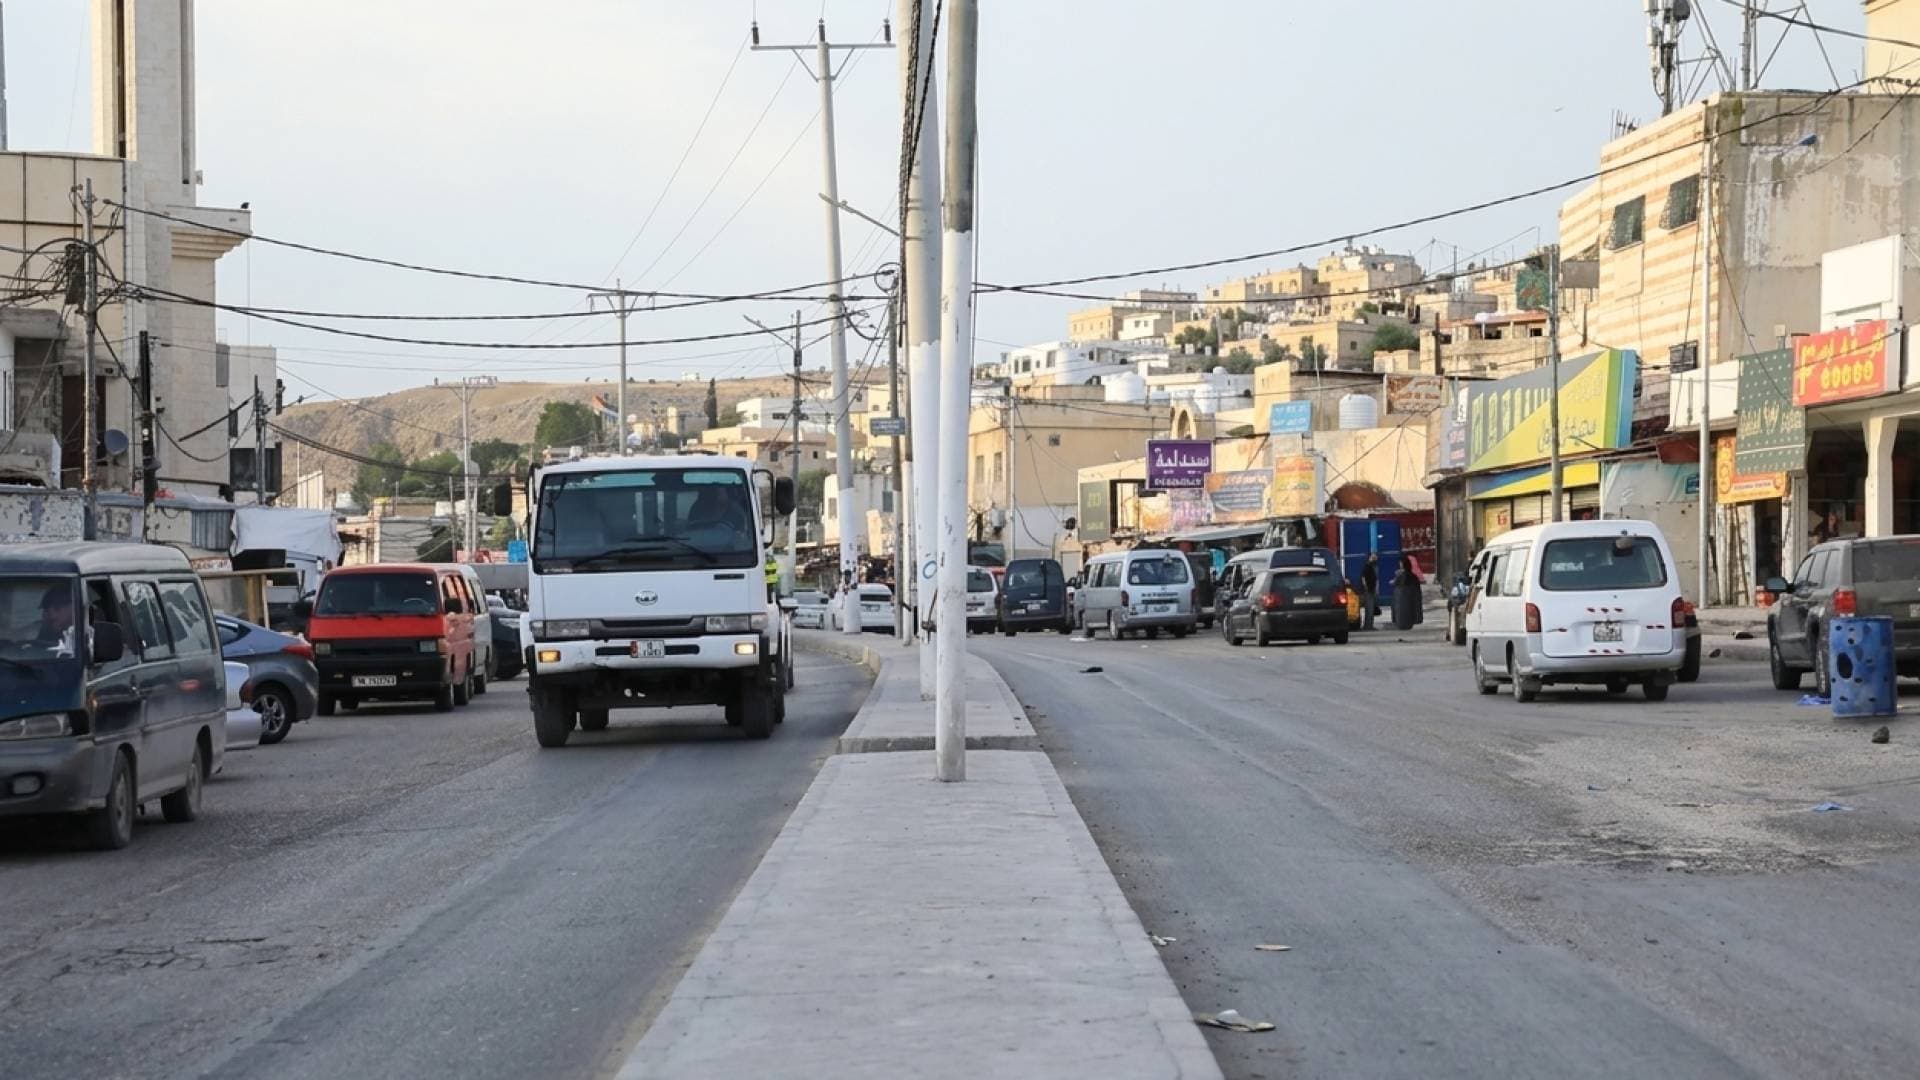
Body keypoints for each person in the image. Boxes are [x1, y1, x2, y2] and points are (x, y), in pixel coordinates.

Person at [1360, 553, 1379, 631]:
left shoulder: (1371, 566)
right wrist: (1366, 587)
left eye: (1375, 557)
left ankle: (1369, 625)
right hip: (1368, 590)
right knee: (1369, 608)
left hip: (1371, 589)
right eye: (1373, 557)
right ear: (1370, 558)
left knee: (1370, 608)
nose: (1375, 559)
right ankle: (1368, 625)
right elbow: (1363, 577)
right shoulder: (1368, 566)